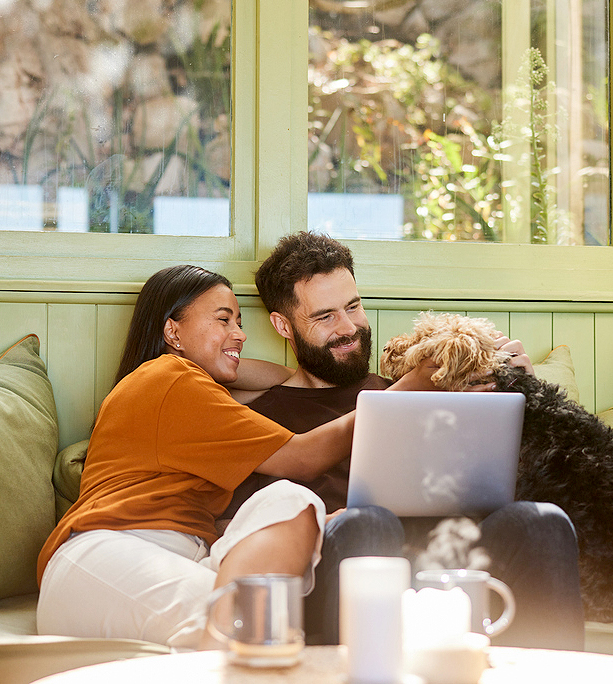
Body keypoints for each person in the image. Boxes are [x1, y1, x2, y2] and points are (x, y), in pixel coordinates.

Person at [35, 264, 438, 649]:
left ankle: (242, 639)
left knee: (292, 501)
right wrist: (407, 390)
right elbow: (301, 458)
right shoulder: (168, 378)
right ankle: (244, 645)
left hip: (192, 556)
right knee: (251, 621)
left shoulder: (193, 390)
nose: (240, 334)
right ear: (172, 331)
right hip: (106, 557)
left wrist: (322, 521)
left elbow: (280, 378)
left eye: (241, 322)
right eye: (224, 320)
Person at [222, 232, 586, 650]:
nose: (348, 328)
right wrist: (322, 523)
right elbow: (234, 529)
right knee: (367, 522)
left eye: (353, 307)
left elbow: (508, 473)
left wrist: (523, 391)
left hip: (449, 556)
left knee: (543, 522)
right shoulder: (263, 415)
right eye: (325, 317)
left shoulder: (424, 384)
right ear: (283, 325)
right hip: (351, 559)